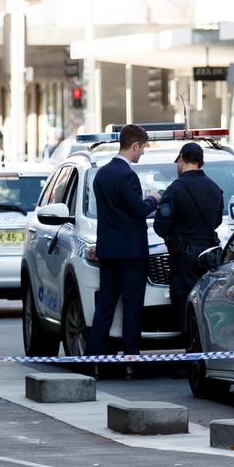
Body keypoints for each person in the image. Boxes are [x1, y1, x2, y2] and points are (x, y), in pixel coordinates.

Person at [88, 124, 161, 377]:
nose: (142, 154)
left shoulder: (102, 174)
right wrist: (154, 199)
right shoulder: (127, 176)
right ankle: (131, 357)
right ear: (135, 145)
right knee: (132, 306)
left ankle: (95, 356)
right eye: (142, 149)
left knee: (105, 306)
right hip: (131, 253)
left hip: (108, 252)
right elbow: (139, 210)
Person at [153, 142, 224, 346]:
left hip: (183, 259)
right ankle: (208, 350)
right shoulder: (214, 188)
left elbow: (161, 227)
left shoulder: (174, 189)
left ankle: (191, 355)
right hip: (209, 257)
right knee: (205, 305)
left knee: (185, 304)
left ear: (182, 158)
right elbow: (217, 221)